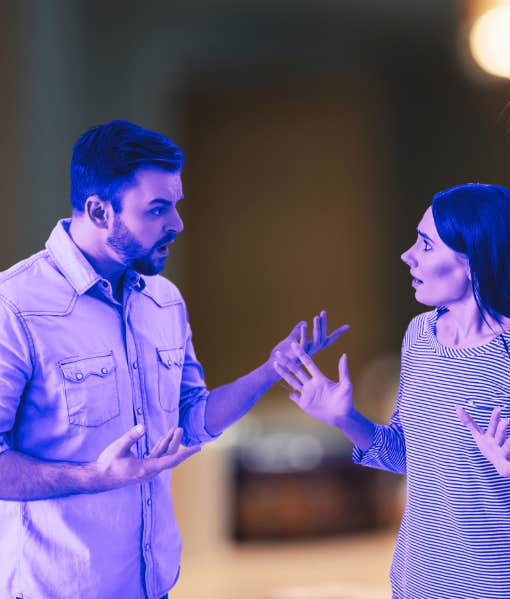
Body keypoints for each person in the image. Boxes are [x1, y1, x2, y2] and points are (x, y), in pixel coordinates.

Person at [0, 120, 347, 599]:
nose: (177, 224)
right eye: (158, 209)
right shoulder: (15, 306)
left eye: (175, 205)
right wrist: (94, 478)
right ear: (100, 211)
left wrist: (271, 370)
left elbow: (191, 419)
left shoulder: (164, 300)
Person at [274, 183, 510, 599]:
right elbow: (406, 455)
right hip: (414, 585)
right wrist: (347, 419)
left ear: (473, 260)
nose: (407, 255)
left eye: (426, 245)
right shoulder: (421, 335)